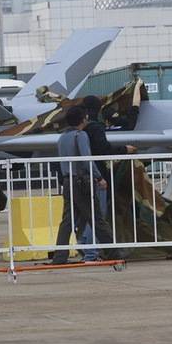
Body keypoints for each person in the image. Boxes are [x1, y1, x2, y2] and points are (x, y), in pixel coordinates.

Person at [52, 106, 128, 265]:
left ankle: (60, 256)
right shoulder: (80, 135)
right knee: (97, 218)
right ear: (84, 118)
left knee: (67, 221)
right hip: (82, 182)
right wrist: (99, 177)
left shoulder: (62, 138)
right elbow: (87, 159)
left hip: (68, 181)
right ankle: (114, 251)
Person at [76, 96, 137, 261]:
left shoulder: (73, 133)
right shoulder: (95, 129)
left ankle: (82, 244)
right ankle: (90, 252)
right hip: (95, 178)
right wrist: (124, 149)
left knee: (82, 216)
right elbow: (103, 150)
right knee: (97, 215)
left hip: (76, 179)